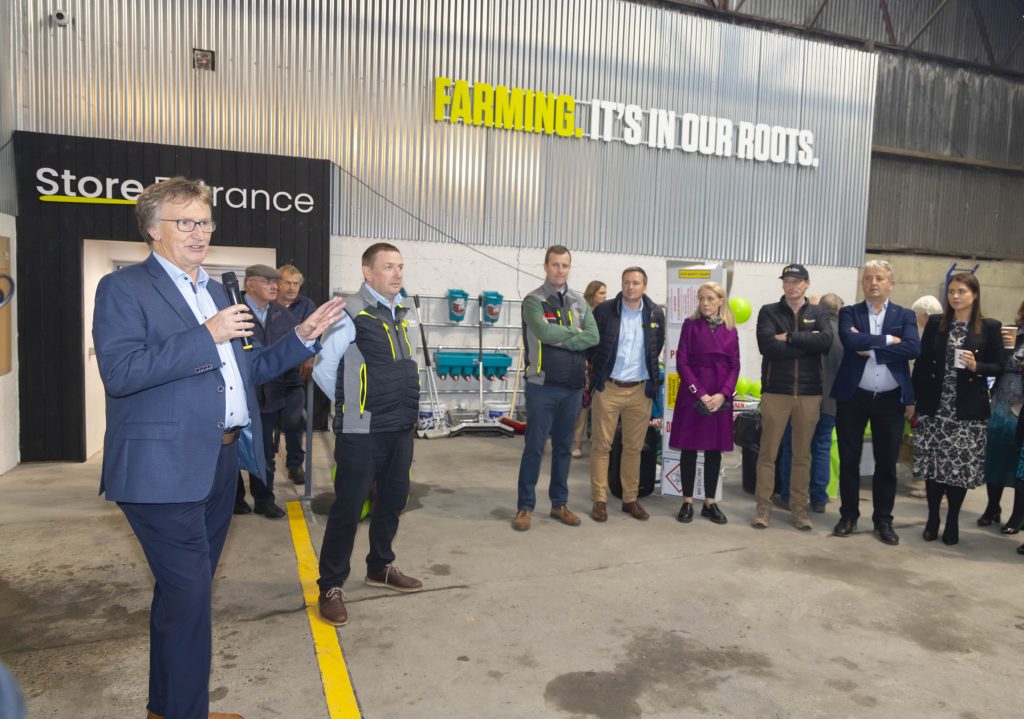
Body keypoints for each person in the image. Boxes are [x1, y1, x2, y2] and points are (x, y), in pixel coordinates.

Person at [92, 177, 344, 719]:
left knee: (181, 596)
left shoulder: (213, 291)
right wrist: (205, 334)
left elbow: (247, 368)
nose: (199, 232)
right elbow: (121, 372)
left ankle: (167, 708)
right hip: (161, 469)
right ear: (153, 229)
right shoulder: (124, 288)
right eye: (185, 221)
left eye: (205, 221)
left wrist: (301, 337)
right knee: (189, 600)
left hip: (219, 460)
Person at [312, 243, 423, 627]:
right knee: (349, 507)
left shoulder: (403, 312)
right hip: (361, 429)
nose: (397, 273)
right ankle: (330, 585)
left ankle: (380, 566)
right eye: (388, 266)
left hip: (400, 426)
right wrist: (352, 405)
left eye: (400, 266)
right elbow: (323, 368)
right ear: (367, 272)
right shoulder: (349, 312)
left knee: (393, 500)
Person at [911, 273, 1004, 545]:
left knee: (958, 470)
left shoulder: (989, 327)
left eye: (961, 291)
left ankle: (952, 521)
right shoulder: (936, 323)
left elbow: (999, 366)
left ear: (974, 294)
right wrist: (913, 401)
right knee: (933, 467)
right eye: (951, 291)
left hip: (967, 412)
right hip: (935, 408)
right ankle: (932, 519)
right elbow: (922, 363)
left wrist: (978, 367)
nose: (955, 296)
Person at [831, 260, 919, 545]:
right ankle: (848, 516)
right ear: (863, 284)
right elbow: (850, 341)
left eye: (879, 278)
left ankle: (883, 520)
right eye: (868, 278)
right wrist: (890, 340)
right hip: (853, 398)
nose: (873, 283)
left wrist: (872, 350)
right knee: (849, 460)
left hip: (890, 401)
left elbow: (913, 348)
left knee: (886, 463)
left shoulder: (905, 315)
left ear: (890, 284)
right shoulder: (849, 312)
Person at [513, 245, 599, 531]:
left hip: (572, 388)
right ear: (546, 266)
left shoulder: (579, 301)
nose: (560, 270)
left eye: (565, 265)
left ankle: (559, 504)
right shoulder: (533, 301)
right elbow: (543, 332)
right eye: (555, 264)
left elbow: (593, 337)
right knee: (534, 448)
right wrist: (576, 333)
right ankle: (525, 506)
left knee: (563, 449)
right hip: (542, 386)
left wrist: (563, 338)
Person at [752, 264, 832, 531]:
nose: (791, 286)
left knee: (801, 455)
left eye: (796, 281)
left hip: (809, 394)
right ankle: (763, 507)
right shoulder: (769, 311)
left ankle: (798, 509)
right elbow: (767, 347)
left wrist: (789, 337)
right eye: (787, 281)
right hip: (776, 392)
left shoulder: (818, 313)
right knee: (768, 454)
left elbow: (825, 342)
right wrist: (806, 343)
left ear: (807, 284)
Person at [587, 268, 665, 521]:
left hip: (640, 391)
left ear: (644, 286)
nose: (631, 287)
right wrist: (598, 374)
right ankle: (599, 500)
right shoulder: (604, 310)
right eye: (626, 282)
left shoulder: (655, 313)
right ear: (621, 284)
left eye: (636, 283)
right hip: (608, 388)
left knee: (633, 447)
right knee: (601, 446)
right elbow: (592, 345)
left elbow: (655, 347)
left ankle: (630, 499)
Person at [233, 263, 306, 519]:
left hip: (270, 397)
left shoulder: (283, 315)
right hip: (238, 395)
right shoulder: (232, 310)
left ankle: (264, 499)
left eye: (276, 282)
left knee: (264, 452)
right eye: (268, 281)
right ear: (250, 284)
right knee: (231, 450)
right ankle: (235, 499)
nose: (275, 286)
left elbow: (294, 348)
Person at [668, 282, 738, 524]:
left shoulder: (731, 329)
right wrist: (700, 394)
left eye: (710, 298)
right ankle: (687, 501)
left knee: (713, 451)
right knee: (689, 449)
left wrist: (723, 394)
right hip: (693, 396)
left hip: (719, 398)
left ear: (721, 300)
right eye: (701, 298)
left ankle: (710, 502)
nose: (705, 303)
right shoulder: (690, 325)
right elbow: (682, 363)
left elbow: (735, 365)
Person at [772, 293, 845, 513]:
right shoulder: (847, 336)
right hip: (832, 402)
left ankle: (789, 496)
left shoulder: (812, 332)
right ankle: (819, 499)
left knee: (794, 447)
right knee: (822, 447)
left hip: (805, 398)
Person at [978, 300, 1024, 532]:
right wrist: (1003, 348)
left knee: (1019, 463)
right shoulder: (1012, 332)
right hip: (1000, 403)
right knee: (994, 457)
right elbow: (995, 364)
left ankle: (1018, 516)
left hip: (1021, 408)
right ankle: (992, 507)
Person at [278, 264, 318, 484]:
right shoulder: (269, 303)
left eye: (296, 284)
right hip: (267, 376)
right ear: (278, 284)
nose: (292, 288)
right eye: (287, 283)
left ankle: (294, 464)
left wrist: (311, 356)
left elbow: (315, 333)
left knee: (294, 422)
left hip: (293, 376)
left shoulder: (306, 305)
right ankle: (263, 470)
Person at [907, 295, 944, 498]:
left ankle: (930, 485)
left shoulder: (932, 334)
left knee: (929, 443)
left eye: (917, 316)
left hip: (930, 399)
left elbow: (922, 367)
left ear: (924, 316)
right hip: (935, 398)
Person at [571, 280, 607, 458]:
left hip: (601, 365)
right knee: (583, 406)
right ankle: (577, 443)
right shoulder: (582, 313)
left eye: (605, 293)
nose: (605, 297)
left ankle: (597, 444)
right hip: (585, 363)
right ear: (592, 294)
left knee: (600, 407)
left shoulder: (607, 314)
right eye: (601, 293)